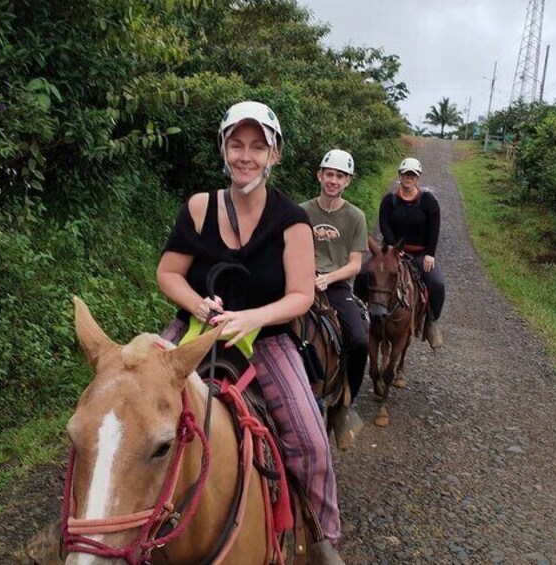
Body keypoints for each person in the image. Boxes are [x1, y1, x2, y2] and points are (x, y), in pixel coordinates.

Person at [157, 101, 345, 564]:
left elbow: (301, 295)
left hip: (266, 341)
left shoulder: (291, 221)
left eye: (257, 147)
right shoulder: (200, 207)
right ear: (223, 149)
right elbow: (168, 273)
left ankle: (323, 541)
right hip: (195, 332)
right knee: (121, 407)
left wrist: (253, 317)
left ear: (274, 155)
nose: (246, 156)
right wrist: (197, 302)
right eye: (236, 144)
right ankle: (77, 529)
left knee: (312, 443)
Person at [300, 149, 369, 401]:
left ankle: (346, 399)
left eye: (340, 176)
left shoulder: (356, 217)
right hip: (302, 281)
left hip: (336, 286)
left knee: (360, 341)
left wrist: (328, 278)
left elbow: (355, 264)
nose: (334, 180)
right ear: (319, 176)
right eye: (329, 174)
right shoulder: (301, 211)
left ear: (348, 181)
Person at [378, 157, 446, 349]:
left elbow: (434, 229)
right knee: (366, 273)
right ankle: (362, 311)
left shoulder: (428, 201)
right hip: (392, 250)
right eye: (405, 174)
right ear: (399, 175)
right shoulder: (389, 200)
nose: (408, 178)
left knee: (437, 284)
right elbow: (384, 224)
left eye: (412, 175)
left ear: (417, 178)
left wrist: (430, 254)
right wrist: (393, 247)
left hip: (419, 253)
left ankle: (431, 320)